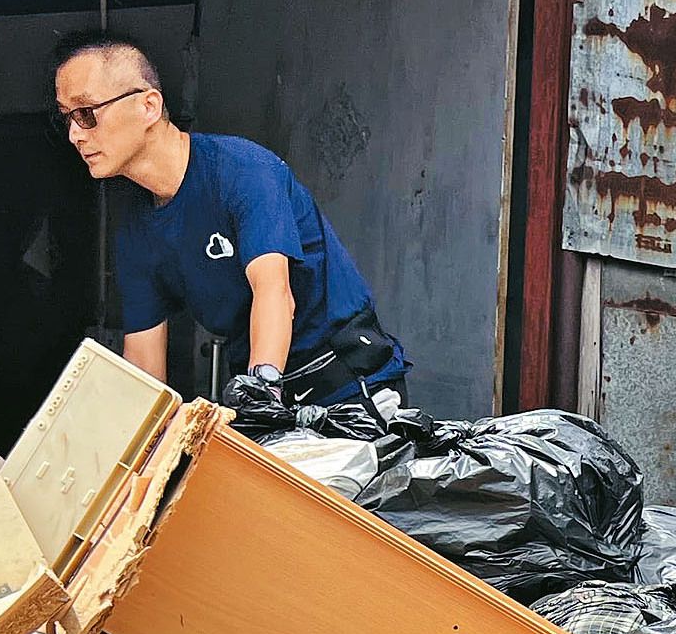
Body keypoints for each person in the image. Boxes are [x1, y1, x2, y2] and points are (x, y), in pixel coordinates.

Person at [50, 31, 409, 415]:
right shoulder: (136, 230)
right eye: (66, 119)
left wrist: (264, 387)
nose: (75, 135)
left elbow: (274, 292)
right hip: (260, 387)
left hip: (345, 379)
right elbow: (144, 360)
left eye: (86, 114)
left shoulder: (242, 171)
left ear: (149, 106)